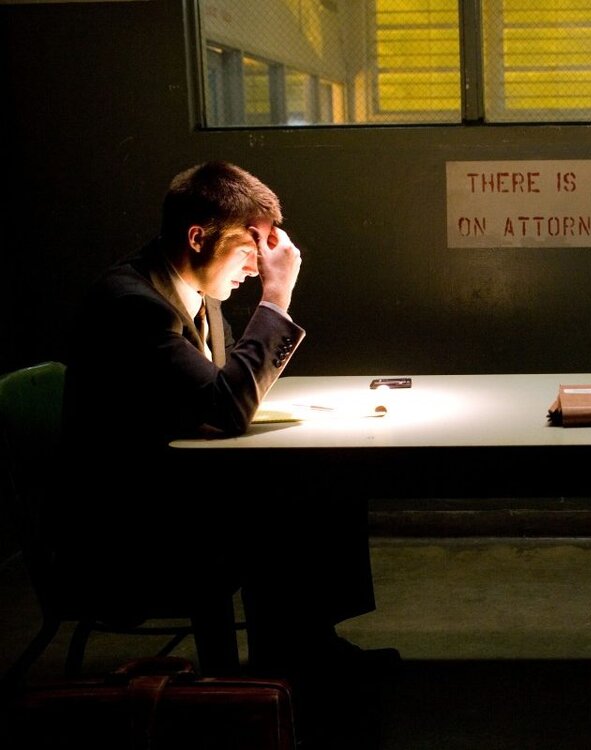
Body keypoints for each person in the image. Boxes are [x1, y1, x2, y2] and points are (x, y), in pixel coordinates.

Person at [61, 162, 397, 689]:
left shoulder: (195, 291)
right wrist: (276, 298)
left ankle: (310, 650)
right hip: (131, 527)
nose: (259, 265)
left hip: (180, 488)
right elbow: (225, 406)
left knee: (327, 479)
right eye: (250, 248)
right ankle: (295, 665)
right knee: (299, 496)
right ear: (198, 238)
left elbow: (225, 387)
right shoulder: (134, 306)